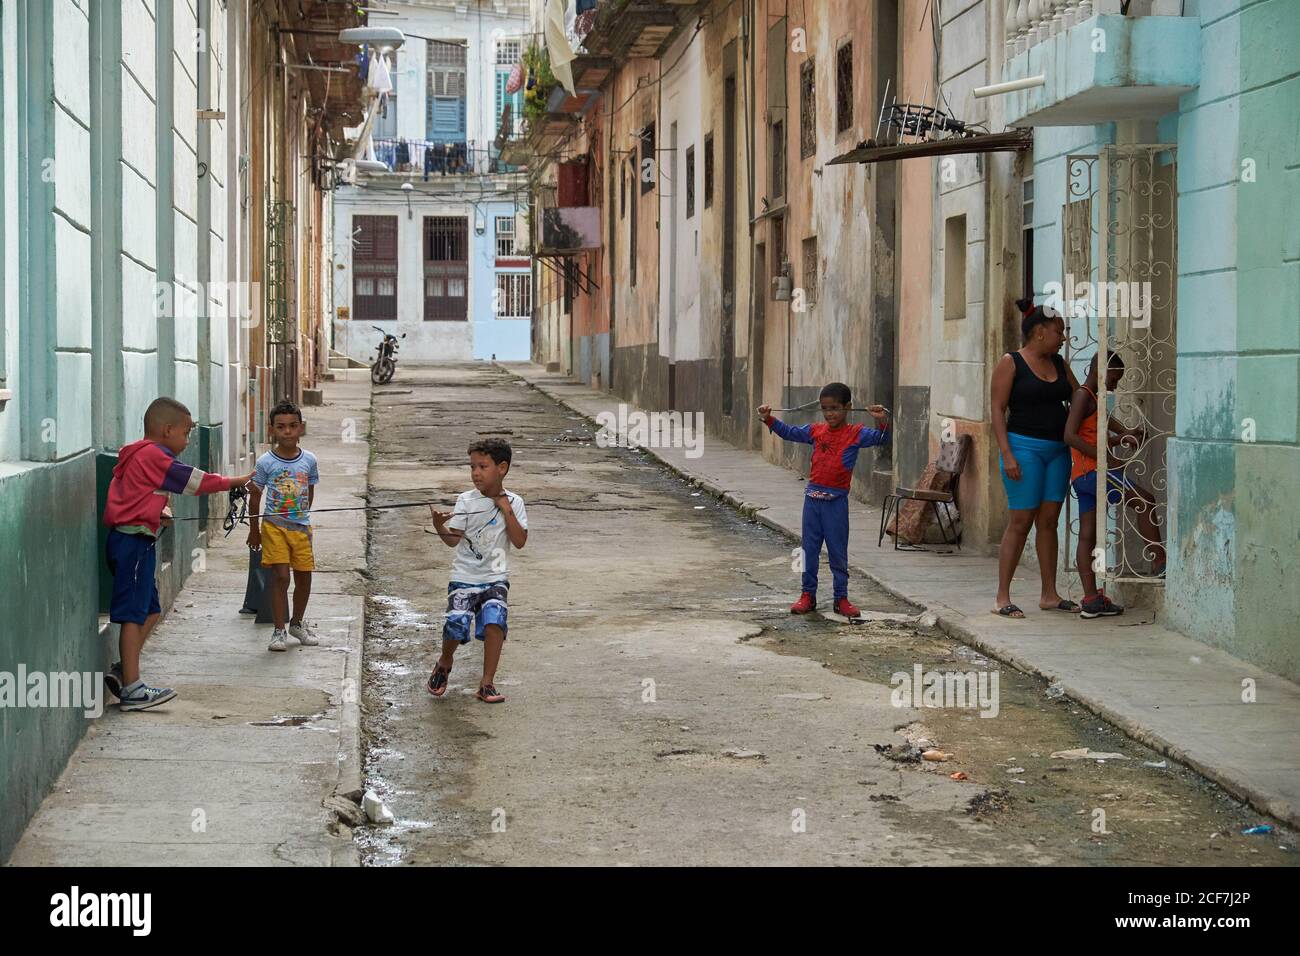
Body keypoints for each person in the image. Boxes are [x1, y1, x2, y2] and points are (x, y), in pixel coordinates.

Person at [103, 397, 254, 711]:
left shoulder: (136, 454)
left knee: (151, 610)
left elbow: (134, 493)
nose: (187, 441)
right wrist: (237, 481)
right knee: (133, 615)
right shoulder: (155, 456)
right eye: (185, 434)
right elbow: (195, 482)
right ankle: (132, 690)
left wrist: (157, 510)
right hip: (132, 545)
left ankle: (123, 670)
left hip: (135, 541)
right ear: (167, 430)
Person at [758, 383, 890, 618]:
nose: (830, 413)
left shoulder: (856, 434)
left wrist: (881, 419)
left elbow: (881, 438)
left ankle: (841, 598)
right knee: (809, 550)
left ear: (848, 408)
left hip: (836, 503)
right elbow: (789, 432)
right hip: (812, 501)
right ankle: (807, 595)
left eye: (835, 408)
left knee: (838, 553)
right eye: (825, 408)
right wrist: (769, 419)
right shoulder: (815, 431)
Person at [990, 300, 1081, 618]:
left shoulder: (1059, 363)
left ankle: (1049, 594)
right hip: (1023, 450)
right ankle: (1002, 597)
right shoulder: (1011, 362)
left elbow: (1080, 398)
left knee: (1049, 521)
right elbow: (997, 410)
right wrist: (1007, 454)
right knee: (1020, 522)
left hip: (1057, 451)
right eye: (1059, 332)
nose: (1063, 338)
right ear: (1039, 332)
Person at [426, 438, 528, 704]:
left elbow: (519, 541)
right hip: (464, 576)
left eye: (482, 466)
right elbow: (453, 540)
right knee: (456, 625)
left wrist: (506, 510)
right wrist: (439, 526)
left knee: (495, 621)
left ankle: (487, 683)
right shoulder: (466, 501)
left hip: (495, 576)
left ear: (502, 468)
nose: (475, 473)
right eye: (472, 467)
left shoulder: (515, 502)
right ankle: (445, 661)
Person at [1064, 351, 1165, 618]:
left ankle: (1091, 598)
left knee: (1087, 534)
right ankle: (1160, 563)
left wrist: (1125, 436)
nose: (1114, 386)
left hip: (1082, 476)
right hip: (1094, 472)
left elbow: (1104, 427)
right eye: (1114, 379)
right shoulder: (1084, 395)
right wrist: (1104, 457)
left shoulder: (1093, 398)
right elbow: (1070, 436)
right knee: (1145, 502)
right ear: (1101, 370)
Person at [247, 399, 322, 652]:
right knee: (280, 577)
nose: (287, 431)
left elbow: (309, 491)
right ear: (272, 430)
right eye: (281, 427)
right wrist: (254, 530)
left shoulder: (309, 460)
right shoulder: (265, 462)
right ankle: (279, 630)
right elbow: (255, 495)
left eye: (293, 426)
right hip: (273, 527)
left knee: (304, 578)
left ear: (301, 428)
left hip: (301, 528)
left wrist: (302, 515)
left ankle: (297, 624)